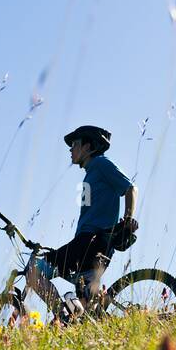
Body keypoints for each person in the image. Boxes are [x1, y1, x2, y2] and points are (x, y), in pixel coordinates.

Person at [26, 125, 137, 317]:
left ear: (88, 146)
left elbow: (130, 188)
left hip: (91, 241)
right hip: (88, 243)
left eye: (74, 144)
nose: (70, 149)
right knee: (86, 310)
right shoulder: (90, 174)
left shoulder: (101, 164)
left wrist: (127, 219)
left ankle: (61, 319)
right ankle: (85, 323)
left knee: (33, 272)